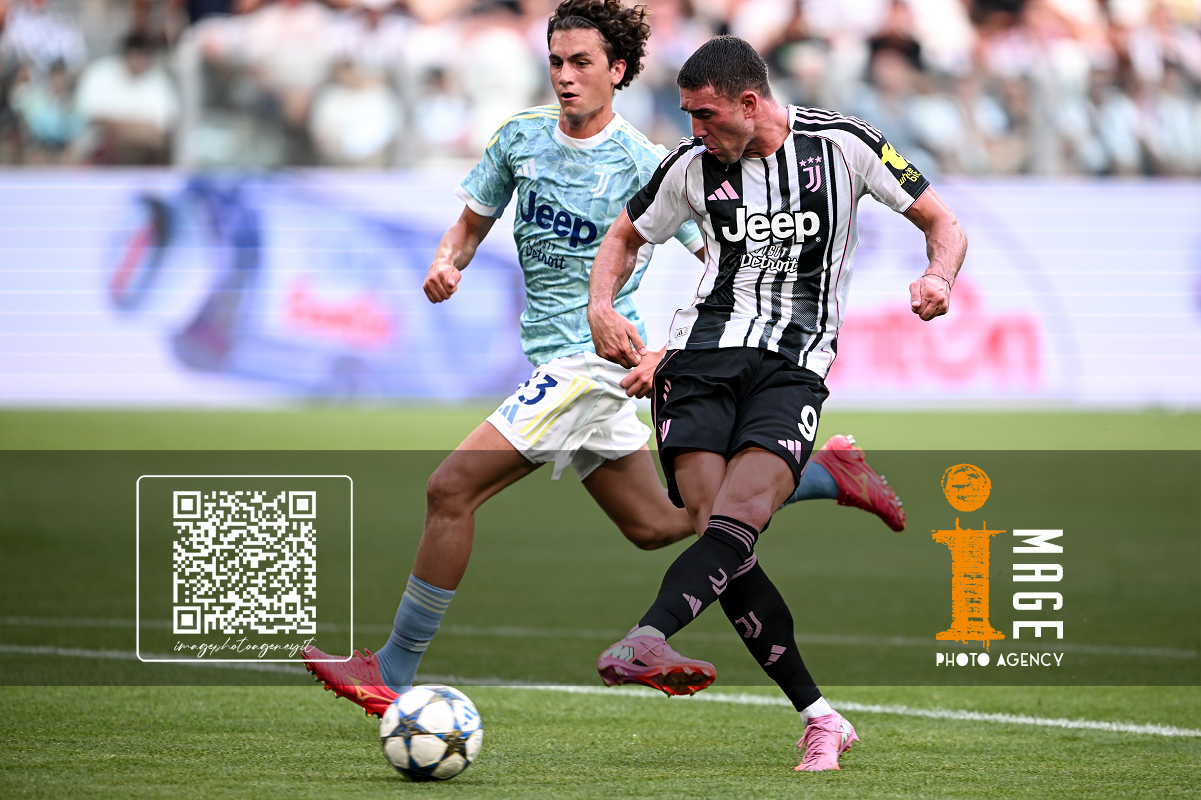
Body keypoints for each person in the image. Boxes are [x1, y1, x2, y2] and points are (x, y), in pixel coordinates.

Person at [303, 2, 904, 720]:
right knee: (657, 525)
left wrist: (676, 349)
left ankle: (392, 668)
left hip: (589, 364)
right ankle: (825, 475)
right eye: (556, 61)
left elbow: (724, 259)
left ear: (617, 71)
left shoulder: (649, 161)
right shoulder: (519, 139)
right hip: (563, 364)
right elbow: (469, 223)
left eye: (581, 62)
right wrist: (446, 262)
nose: (565, 76)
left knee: (449, 490)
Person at [587, 36, 966, 772]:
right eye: (687, 115)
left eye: (704, 115)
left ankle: (646, 637)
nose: (694, 129)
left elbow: (942, 224)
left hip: (792, 366)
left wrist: (939, 277)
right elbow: (625, 235)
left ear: (748, 102)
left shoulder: (846, 145)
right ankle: (821, 715)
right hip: (700, 358)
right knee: (719, 531)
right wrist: (602, 303)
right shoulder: (689, 167)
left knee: (734, 521)